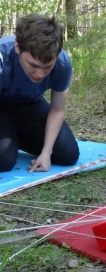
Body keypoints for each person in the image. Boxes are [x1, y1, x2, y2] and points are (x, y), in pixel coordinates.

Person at [0, 14, 79, 173]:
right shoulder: (2, 58)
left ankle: (15, 137)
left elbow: (57, 109)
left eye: (47, 67)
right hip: (2, 106)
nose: (40, 74)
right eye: (33, 65)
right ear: (18, 48)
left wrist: (46, 152)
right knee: (4, 160)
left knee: (68, 154)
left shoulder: (62, 63)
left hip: (31, 104)